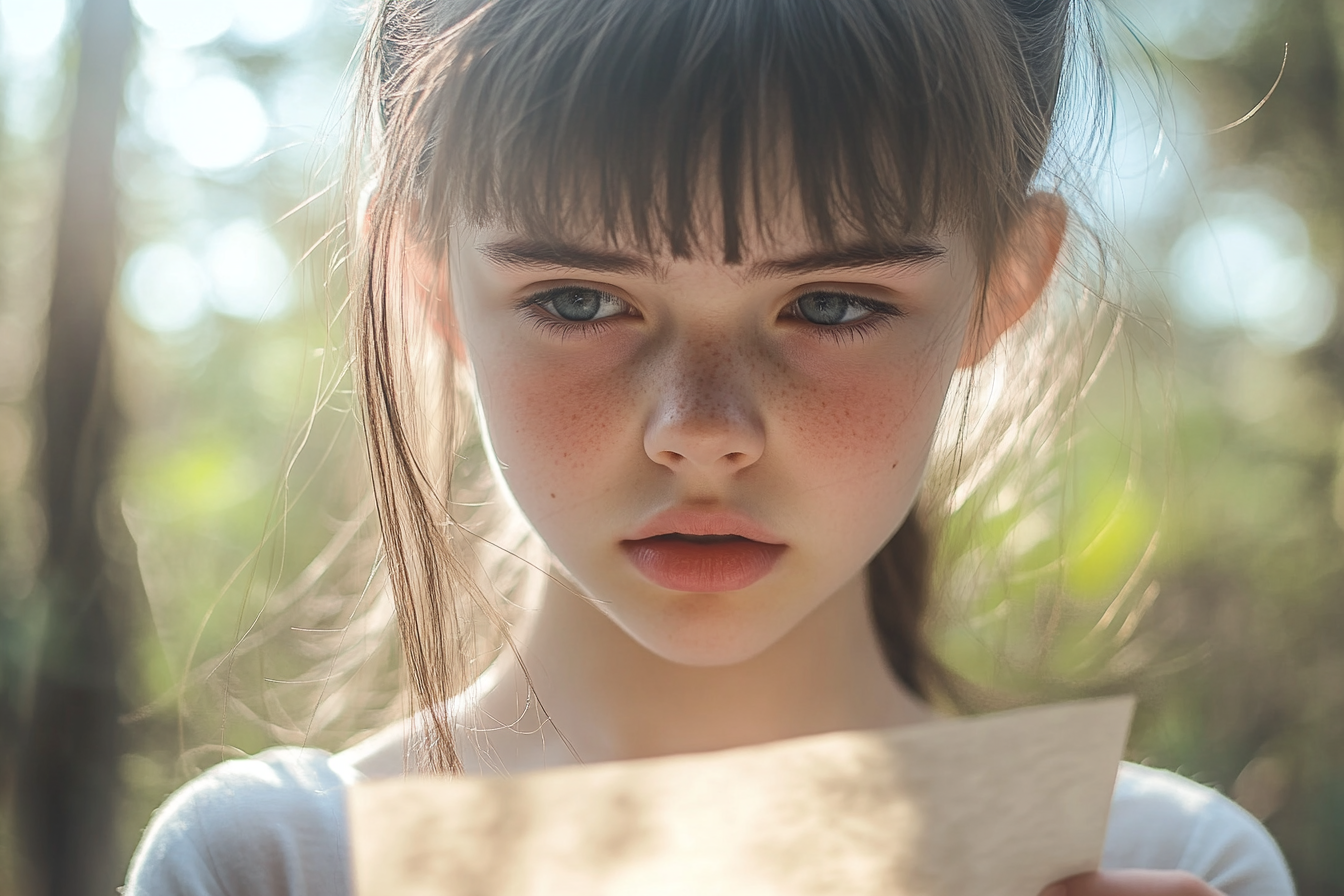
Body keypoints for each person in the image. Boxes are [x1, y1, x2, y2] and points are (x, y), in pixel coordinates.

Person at [125, 0, 1297, 893]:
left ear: (1006, 284)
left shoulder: (1163, 862)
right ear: (423, 277)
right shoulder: (270, 867)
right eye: (580, 300)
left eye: (833, 303)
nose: (701, 430)